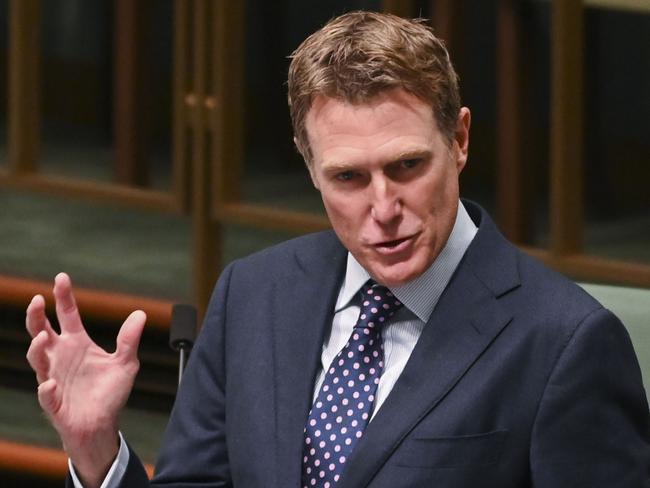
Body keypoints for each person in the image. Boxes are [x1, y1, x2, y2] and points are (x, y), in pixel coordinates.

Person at [26, 11, 649, 488]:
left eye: (407, 166)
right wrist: (96, 449)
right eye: (348, 178)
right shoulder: (254, 292)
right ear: (310, 166)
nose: (383, 209)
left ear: (459, 140)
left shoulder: (566, 342)